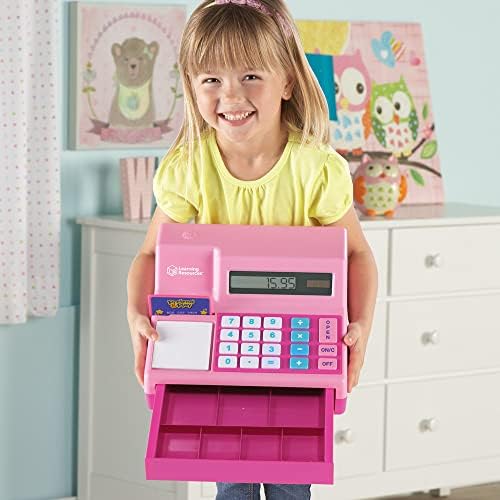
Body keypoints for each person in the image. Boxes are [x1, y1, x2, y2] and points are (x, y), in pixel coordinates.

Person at [127, 1, 378, 498]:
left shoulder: (316, 168)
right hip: (222, 357)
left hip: (296, 354)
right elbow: (150, 255)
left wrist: (361, 326)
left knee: (291, 489)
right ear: (191, 86)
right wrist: (136, 313)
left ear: (287, 81)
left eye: (250, 76)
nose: (231, 96)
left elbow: (357, 255)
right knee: (231, 488)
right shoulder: (187, 168)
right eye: (211, 79)